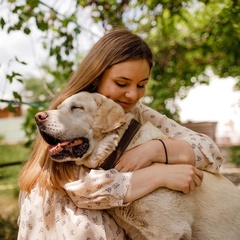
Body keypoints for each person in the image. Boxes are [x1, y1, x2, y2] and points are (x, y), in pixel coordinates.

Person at [17, 29, 224, 239]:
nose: (133, 94)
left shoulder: (135, 112)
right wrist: (159, 175)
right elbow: (85, 190)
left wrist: (154, 150)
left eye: (142, 85)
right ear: (97, 76)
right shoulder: (67, 116)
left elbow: (210, 152)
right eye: (121, 83)